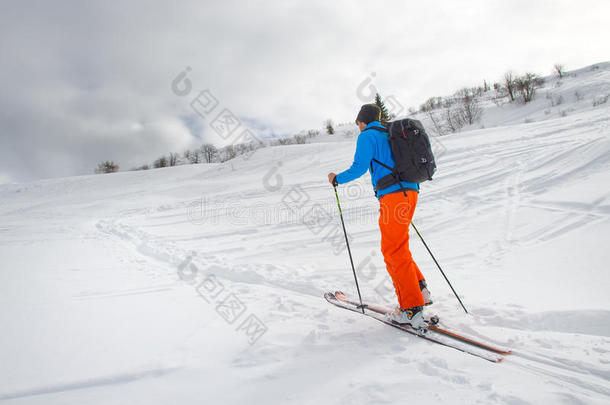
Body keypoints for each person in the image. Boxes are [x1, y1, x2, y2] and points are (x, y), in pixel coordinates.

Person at [327, 104, 431, 328]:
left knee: (392, 251)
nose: (358, 127)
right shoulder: (391, 134)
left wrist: (337, 179)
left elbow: (359, 168)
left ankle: (411, 309)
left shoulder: (368, 136)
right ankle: (419, 290)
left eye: (358, 124)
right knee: (399, 247)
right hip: (410, 192)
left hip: (393, 197)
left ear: (362, 121)